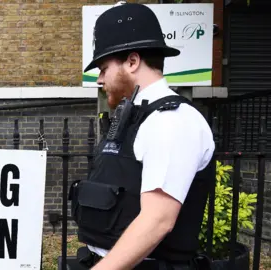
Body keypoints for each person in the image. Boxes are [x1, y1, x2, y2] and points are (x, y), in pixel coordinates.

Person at [70, 3, 215, 270]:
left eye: (103, 68)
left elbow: (157, 220)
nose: (100, 80)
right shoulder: (136, 118)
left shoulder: (171, 121)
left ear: (133, 61)